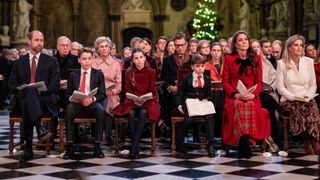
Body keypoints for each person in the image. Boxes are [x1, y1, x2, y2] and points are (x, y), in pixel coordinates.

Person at [8, 30, 60, 162]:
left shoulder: (51, 61)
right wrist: (21, 88)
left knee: (30, 97)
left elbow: (55, 86)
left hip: (43, 99)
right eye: (36, 40)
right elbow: (11, 86)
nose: (39, 43)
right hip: (21, 99)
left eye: (41, 40)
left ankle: (28, 149)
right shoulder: (18, 63)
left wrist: (38, 89)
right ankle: (39, 128)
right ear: (29, 42)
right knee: (28, 94)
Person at [222, 31, 271, 158]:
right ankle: (244, 141)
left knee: (249, 104)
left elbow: (259, 82)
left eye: (245, 39)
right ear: (236, 44)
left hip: (251, 96)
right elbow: (225, 81)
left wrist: (253, 95)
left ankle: (244, 141)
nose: (244, 42)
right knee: (239, 104)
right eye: (240, 40)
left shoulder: (257, 59)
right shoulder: (229, 59)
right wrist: (235, 94)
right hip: (234, 96)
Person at [112, 48, 160, 158]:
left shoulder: (151, 71)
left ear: (144, 58)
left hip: (147, 100)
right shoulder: (129, 72)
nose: (139, 60)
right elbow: (127, 90)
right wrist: (134, 99)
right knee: (131, 113)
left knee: (143, 112)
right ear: (132, 60)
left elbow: (152, 89)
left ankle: (134, 145)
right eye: (136, 58)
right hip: (132, 100)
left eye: (141, 57)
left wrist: (143, 99)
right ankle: (135, 145)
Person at [277, 35, 320, 155]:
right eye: (296, 45)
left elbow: (313, 85)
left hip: (307, 98)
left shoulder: (309, 61)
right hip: (289, 99)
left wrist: (307, 96)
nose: (300, 47)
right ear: (289, 47)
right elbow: (280, 88)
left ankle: (312, 139)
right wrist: (294, 97)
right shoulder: (281, 64)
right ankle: (309, 140)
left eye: (301, 45)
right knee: (304, 108)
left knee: (311, 106)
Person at [63, 47, 107, 159]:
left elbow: (102, 94)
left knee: (101, 110)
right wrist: (72, 98)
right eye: (84, 59)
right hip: (77, 102)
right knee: (68, 110)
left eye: (89, 58)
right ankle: (70, 146)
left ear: (92, 59)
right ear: (79, 60)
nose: (87, 61)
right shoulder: (73, 74)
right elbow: (67, 94)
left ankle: (97, 146)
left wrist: (92, 99)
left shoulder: (98, 74)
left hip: (91, 102)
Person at [176, 54, 215, 156]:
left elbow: (210, 94)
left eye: (202, 66)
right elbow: (180, 93)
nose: (200, 68)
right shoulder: (186, 78)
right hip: (189, 101)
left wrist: (206, 99)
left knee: (209, 117)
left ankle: (210, 144)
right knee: (188, 119)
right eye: (197, 66)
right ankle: (179, 142)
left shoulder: (206, 79)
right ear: (192, 67)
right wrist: (179, 105)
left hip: (202, 102)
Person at [251, 39, 281, 152]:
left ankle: (272, 137)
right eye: (253, 47)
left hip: (268, 92)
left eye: (257, 47)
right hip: (254, 93)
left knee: (270, 103)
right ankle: (269, 137)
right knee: (266, 103)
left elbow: (276, 78)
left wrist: (271, 87)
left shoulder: (267, 63)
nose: (255, 49)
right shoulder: (249, 63)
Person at [92, 36, 122, 145]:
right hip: (97, 92)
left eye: (106, 46)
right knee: (100, 101)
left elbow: (119, 83)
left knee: (110, 101)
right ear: (97, 49)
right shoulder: (93, 63)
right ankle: (99, 135)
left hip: (112, 93)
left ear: (110, 48)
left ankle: (108, 135)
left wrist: (113, 92)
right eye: (101, 47)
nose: (104, 49)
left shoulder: (116, 64)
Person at [205, 42, 224, 138]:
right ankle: (217, 130)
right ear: (211, 52)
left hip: (224, 92)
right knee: (217, 93)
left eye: (218, 50)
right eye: (214, 50)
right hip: (211, 93)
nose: (216, 53)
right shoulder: (206, 66)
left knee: (220, 93)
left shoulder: (225, 65)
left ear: (221, 52)